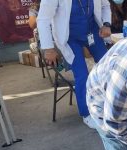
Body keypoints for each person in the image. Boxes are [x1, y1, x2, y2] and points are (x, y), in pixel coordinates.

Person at [37, 0, 111, 129]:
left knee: (109, 68)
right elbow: (43, 19)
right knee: (82, 75)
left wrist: (106, 24)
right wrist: (48, 48)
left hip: (93, 31)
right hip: (70, 37)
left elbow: (105, 5)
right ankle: (87, 113)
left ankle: (113, 105)